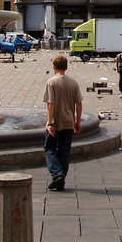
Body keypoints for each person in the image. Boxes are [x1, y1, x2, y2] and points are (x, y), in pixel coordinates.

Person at [43, 55, 83, 191]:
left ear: (54, 67)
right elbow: (79, 104)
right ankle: (61, 179)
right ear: (66, 67)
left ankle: (57, 174)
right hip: (69, 122)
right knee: (64, 151)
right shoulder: (73, 82)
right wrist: (77, 121)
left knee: (49, 148)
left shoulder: (52, 82)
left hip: (56, 122)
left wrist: (50, 123)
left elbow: (51, 104)